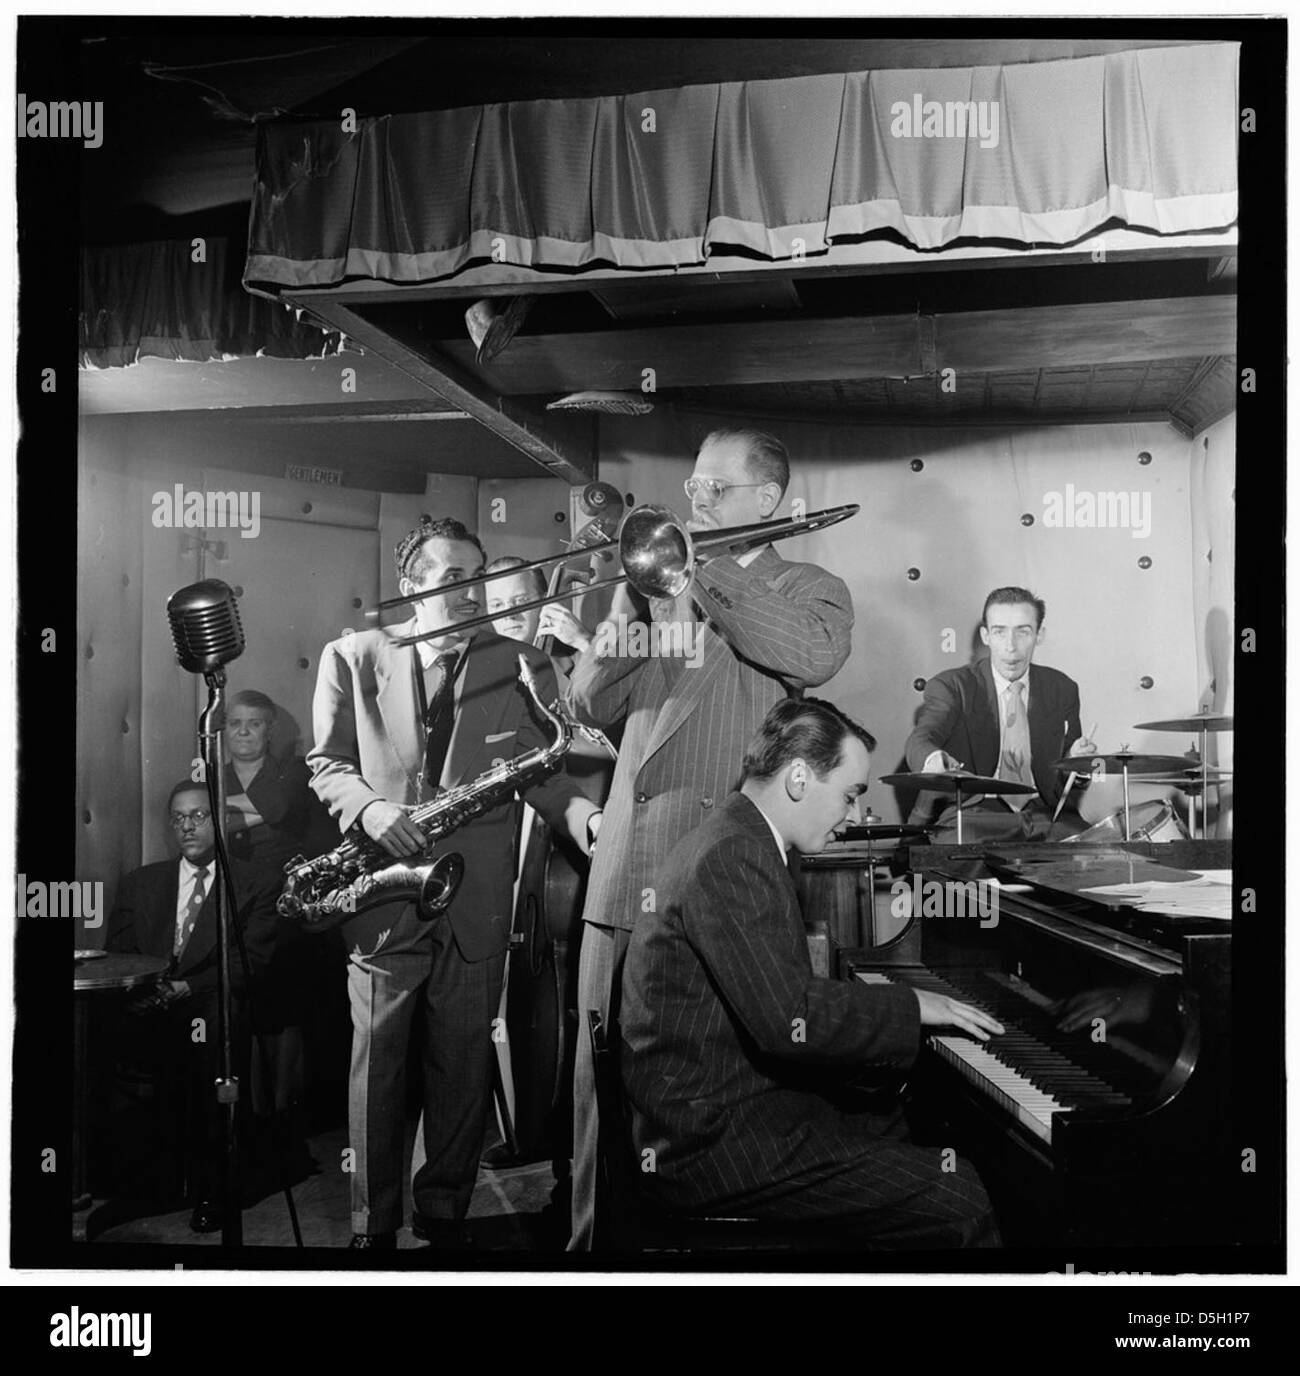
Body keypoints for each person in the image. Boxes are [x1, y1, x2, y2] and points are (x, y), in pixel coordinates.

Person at [567, 427, 854, 1249]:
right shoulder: (649, 585)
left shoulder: (809, 584)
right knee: (599, 1102)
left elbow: (808, 654)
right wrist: (644, 598)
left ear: (766, 501)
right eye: (691, 489)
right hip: (626, 873)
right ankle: (588, 1257)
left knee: (702, 1102)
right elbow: (590, 701)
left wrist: (705, 567)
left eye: (713, 491)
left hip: (716, 887)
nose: (693, 503)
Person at [308, 516, 601, 1249]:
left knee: (462, 1065)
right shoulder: (350, 655)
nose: (472, 594)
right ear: (411, 588)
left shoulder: (520, 661)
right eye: (452, 580)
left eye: (477, 578)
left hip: (474, 899)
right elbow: (327, 763)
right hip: (381, 893)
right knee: (376, 1066)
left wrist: (585, 820)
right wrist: (373, 811)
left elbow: (548, 774)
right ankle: (370, 1230)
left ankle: (444, 1216)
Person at [621, 697, 1002, 1248]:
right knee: (959, 1195)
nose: (851, 814)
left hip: (715, 1106)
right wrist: (914, 1005)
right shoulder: (735, 856)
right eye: (849, 795)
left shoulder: (737, 835)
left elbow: (778, 1000)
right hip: (711, 1144)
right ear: (799, 778)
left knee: (902, 1120)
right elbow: (788, 1019)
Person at [103, 780, 280, 1231]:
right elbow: (120, 951)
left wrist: (186, 989)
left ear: (220, 822)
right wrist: (150, 991)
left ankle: (212, 1189)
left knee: (218, 1032)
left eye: (199, 816)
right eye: (179, 818)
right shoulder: (142, 883)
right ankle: (124, 1181)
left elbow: (252, 962)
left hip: (209, 1003)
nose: (188, 827)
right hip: (149, 1004)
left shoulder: (254, 882)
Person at [904, 587, 1096, 843]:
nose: (1011, 646)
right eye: (999, 631)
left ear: (1039, 635)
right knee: (959, 846)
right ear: (985, 636)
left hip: (1044, 814)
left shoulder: (1062, 688)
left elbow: (1066, 784)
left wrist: (1078, 764)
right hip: (975, 812)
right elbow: (922, 738)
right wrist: (933, 760)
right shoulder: (952, 686)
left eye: (1023, 632)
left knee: (1090, 849)